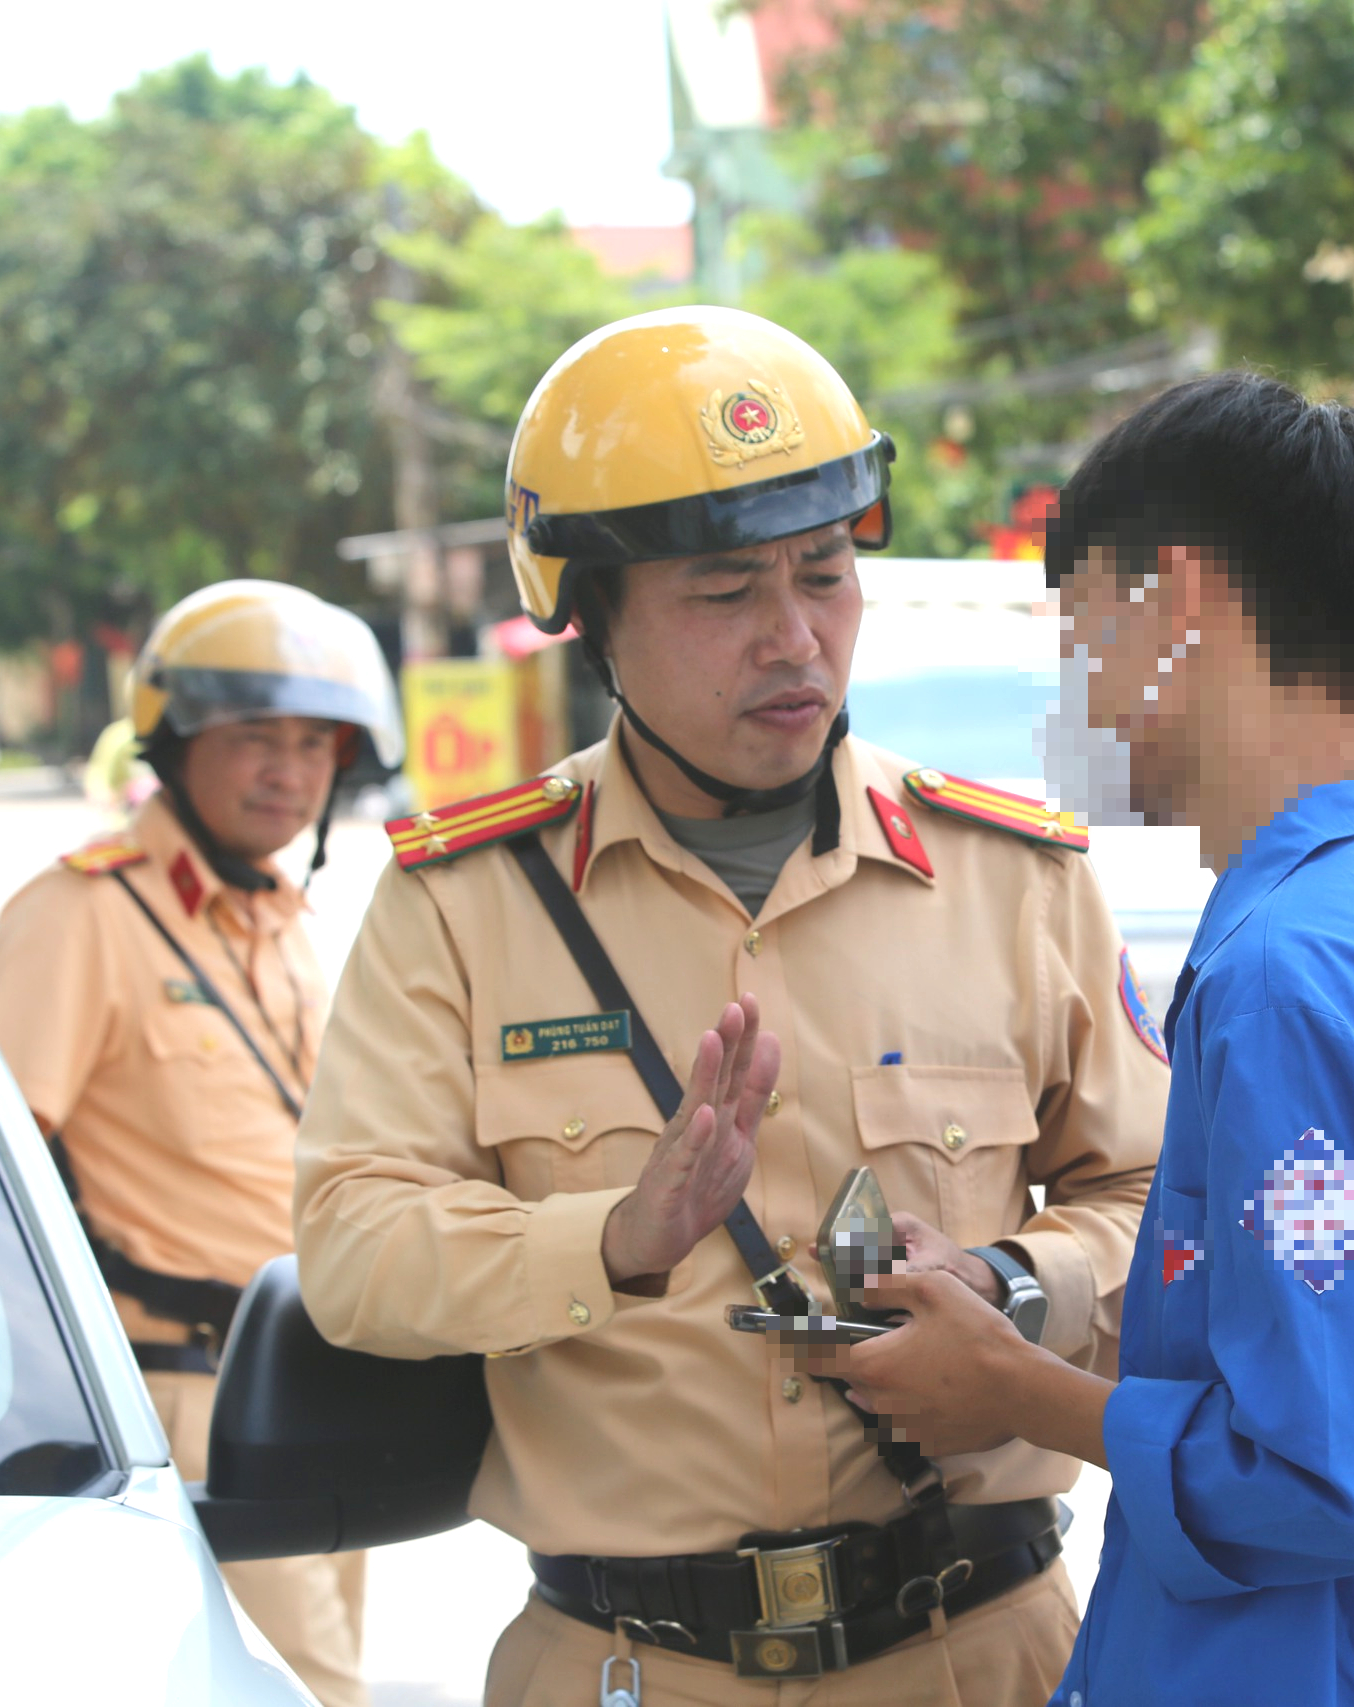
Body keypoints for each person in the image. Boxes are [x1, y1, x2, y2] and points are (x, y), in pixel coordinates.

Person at [292, 306, 1166, 1707]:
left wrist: (1011, 1286)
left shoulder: (1017, 878)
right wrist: (616, 1236)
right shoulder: (463, 901)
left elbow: (1155, 1197)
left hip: (978, 1654)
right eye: (722, 591)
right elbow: (350, 1242)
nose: (794, 636)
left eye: (824, 575)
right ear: (592, 615)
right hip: (629, 1663)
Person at [829, 372, 1354, 1706]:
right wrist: (1006, 1306)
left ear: (1175, 602)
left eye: (1080, 632)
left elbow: (1338, 1468)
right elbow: (1326, 1348)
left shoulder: (1293, 973)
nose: (1077, 689)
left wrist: (1010, 1386)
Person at [0, 579, 400, 1707]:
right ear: (175, 744)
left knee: (325, 1674)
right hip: (184, 1394)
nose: (289, 771)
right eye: (254, 736)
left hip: (319, 1384)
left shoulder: (285, 918)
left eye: (316, 744)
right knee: (297, 1689)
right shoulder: (81, 917)